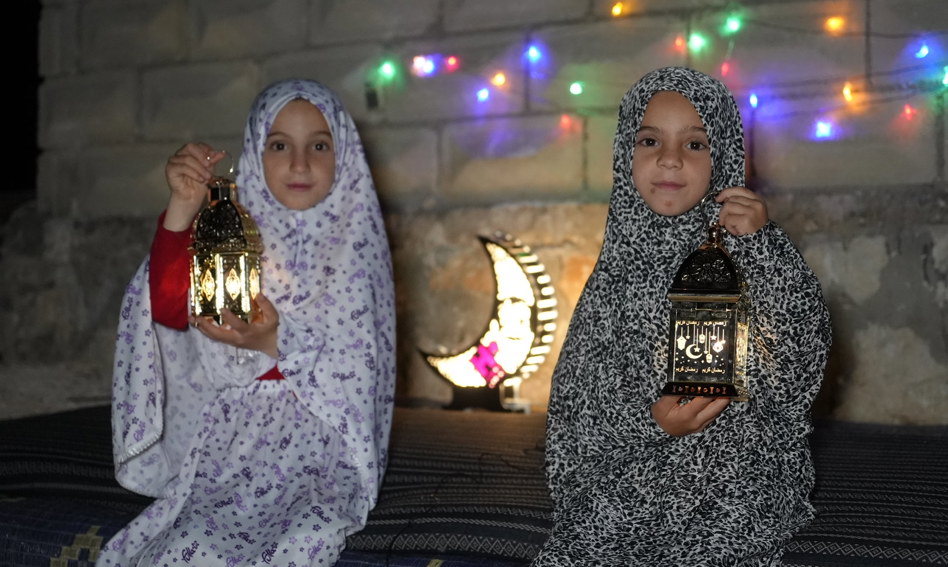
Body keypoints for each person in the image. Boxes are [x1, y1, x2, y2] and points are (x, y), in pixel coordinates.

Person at [532, 66, 831, 566]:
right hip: (642, 451)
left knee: (725, 511)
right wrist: (654, 423)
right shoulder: (619, 267)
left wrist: (764, 247)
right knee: (597, 524)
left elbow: (800, 362)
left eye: (695, 145)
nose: (669, 160)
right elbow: (580, 403)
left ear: (726, 157)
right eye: (650, 140)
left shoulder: (747, 250)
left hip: (735, 459)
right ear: (626, 152)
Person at [98, 79, 396, 566]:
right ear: (256, 151)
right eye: (279, 145)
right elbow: (171, 314)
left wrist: (275, 339)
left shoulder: (357, 249)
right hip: (233, 440)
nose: (300, 164)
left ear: (345, 156)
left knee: (305, 535)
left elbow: (359, 370)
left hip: (322, 447)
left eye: (319, 146)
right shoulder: (229, 230)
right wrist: (183, 209)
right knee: (191, 543)